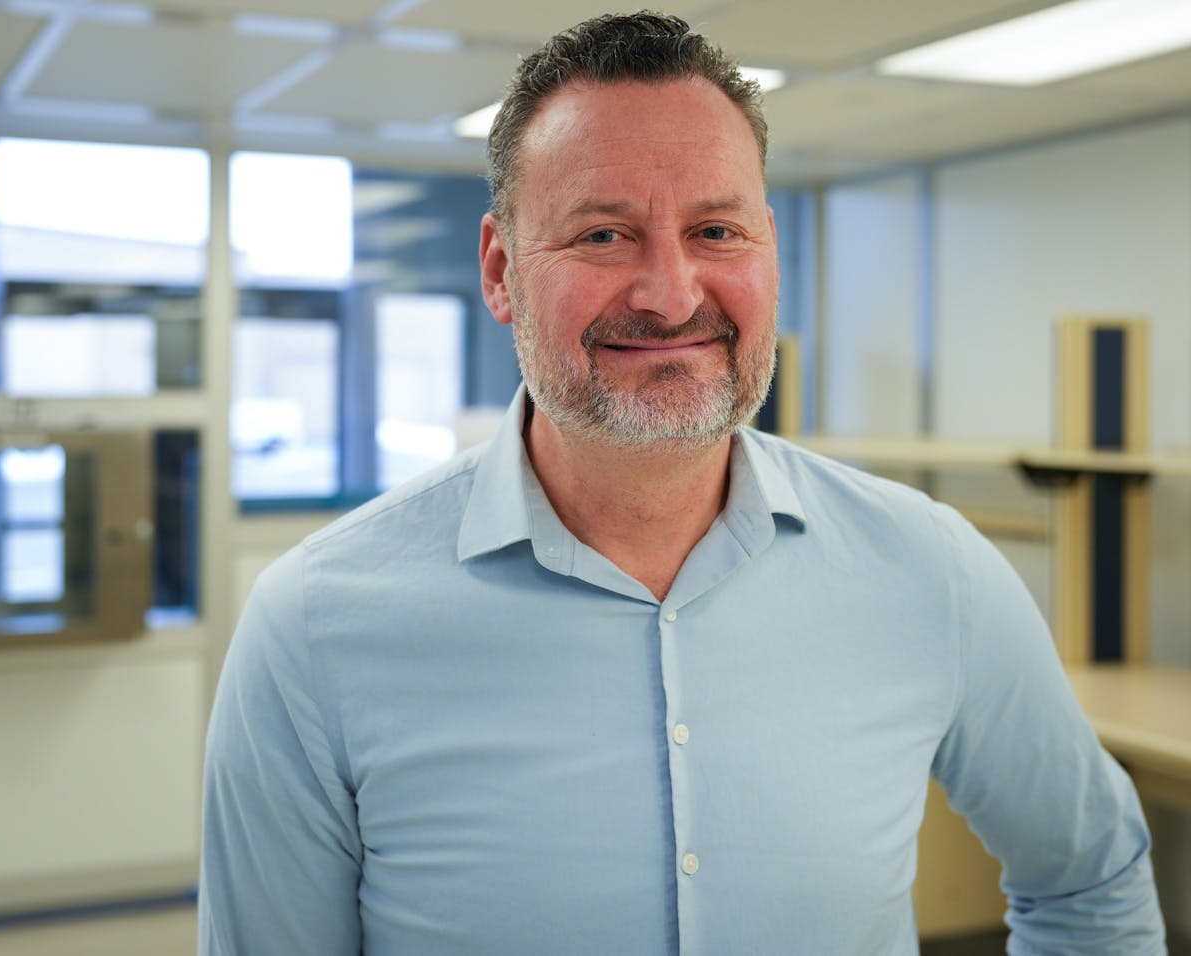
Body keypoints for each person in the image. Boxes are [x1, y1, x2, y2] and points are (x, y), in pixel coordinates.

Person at [199, 12, 1166, 955]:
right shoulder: (316, 629)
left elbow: (1091, 880)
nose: (671, 293)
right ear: (500, 271)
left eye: (715, 230)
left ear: (769, 250)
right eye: (604, 236)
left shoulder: (932, 571)